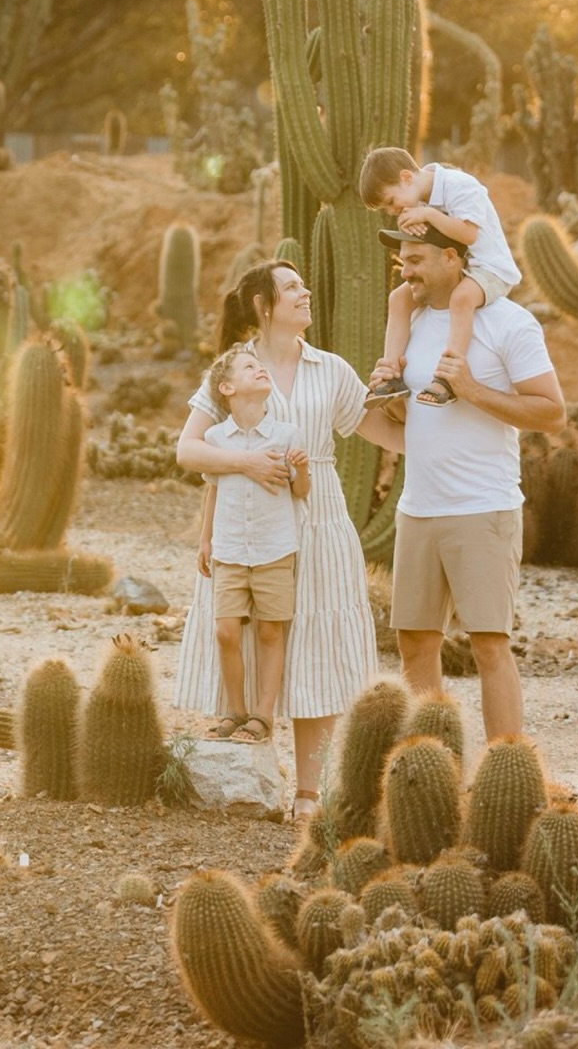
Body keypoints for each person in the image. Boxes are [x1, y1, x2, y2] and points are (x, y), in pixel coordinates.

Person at [174, 260, 403, 819]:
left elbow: (382, 432)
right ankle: (253, 771)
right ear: (263, 306)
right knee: (250, 634)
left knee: (313, 648)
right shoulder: (234, 368)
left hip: (317, 514)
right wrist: (247, 463)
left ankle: (307, 791)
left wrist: (439, 420)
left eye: (305, 282)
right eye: (292, 287)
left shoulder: (331, 370)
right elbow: (189, 449)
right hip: (245, 524)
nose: (306, 292)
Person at [369, 222, 565, 738]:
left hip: (483, 507)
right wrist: (386, 405)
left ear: (452, 258)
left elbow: (552, 413)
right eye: (402, 261)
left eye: (415, 260)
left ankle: (506, 771)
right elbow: (416, 426)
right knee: (414, 641)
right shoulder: (410, 323)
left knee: (488, 645)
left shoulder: (508, 323)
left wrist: (471, 389)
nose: (404, 270)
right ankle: (427, 769)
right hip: (418, 508)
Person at [196, 344, 311, 745]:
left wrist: (301, 469)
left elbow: (300, 493)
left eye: (261, 366)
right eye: (249, 367)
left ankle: (262, 716)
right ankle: (234, 710)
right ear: (227, 388)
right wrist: (205, 539)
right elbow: (212, 489)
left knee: (269, 632)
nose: (260, 369)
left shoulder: (286, 434)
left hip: (275, 548)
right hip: (229, 549)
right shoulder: (214, 438)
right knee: (226, 631)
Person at [358, 145, 521, 408]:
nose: (392, 211)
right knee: (398, 298)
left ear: (406, 177)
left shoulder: (461, 186)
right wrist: (413, 219)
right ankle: (391, 373)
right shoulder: (419, 199)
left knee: (461, 298)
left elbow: (468, 234)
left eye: (390, 202)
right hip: (458, 267)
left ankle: (448, 377)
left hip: (490, 268)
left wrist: (428, 214)